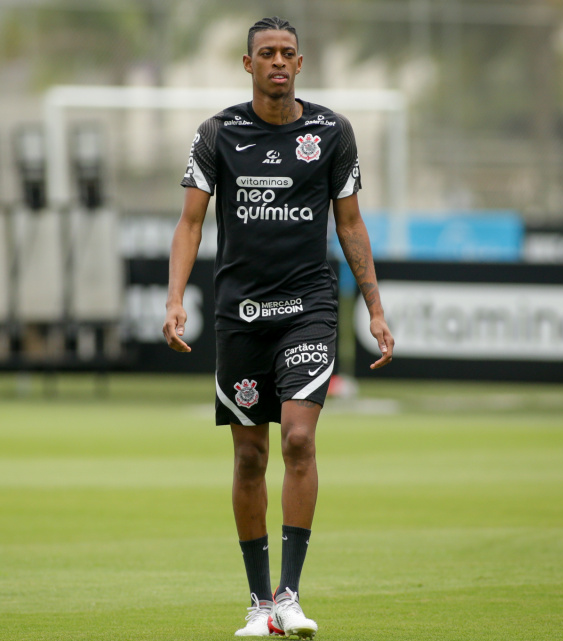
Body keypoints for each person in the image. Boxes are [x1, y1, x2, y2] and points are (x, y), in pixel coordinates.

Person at [163, 16, 394, 639]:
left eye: (288, 53)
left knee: (296, 439)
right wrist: (175, 298)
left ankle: (290, 596)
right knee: (248, 457)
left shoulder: (331, 133)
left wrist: (373, 307)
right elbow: (190, 224)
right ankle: (258, 603)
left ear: (301, 62)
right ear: (248, 65)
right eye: (266, 53)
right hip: (239, 314)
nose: (278, 62)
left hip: (307, 308)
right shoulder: (217, 134)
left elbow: (349, 223)